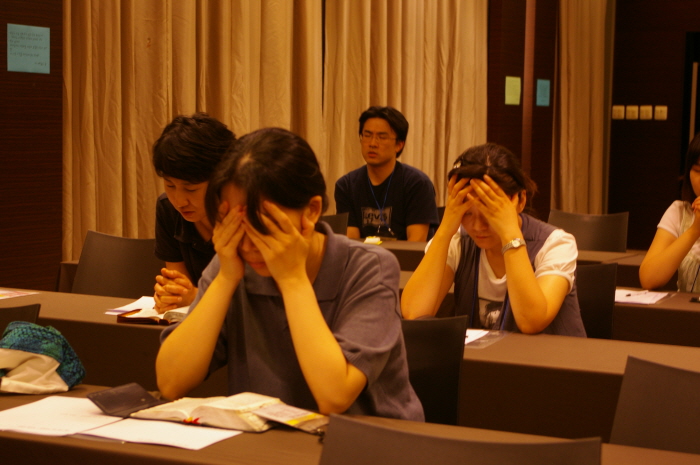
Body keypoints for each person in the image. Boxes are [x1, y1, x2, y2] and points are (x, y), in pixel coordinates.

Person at [156, 127, 424, 420]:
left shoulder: (369, 267)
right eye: (232, 224)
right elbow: (171, 381)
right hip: (268, 440)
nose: (247, 244)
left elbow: (334, 396)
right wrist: (225, 279)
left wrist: (292, 279)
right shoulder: (232, 263)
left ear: (312, 210)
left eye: (263, 225)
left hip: (368, 439)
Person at [401, 143, 586, 336]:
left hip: (548, 355)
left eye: (490, 213)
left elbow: (531, 322)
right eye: (467, 214)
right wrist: (445, 229)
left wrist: (510, 234)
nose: (478, 226)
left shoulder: (556, 243)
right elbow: (414, 313)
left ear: (520, 200)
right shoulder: (458, 241)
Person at [152, 113, 236, 312]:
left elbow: (257, 303)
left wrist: (194, 296)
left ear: (222, 178)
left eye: (191, 189)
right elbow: (179, 287)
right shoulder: (168, 209)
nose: (179, 201)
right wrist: (170, 295)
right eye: (170, 185)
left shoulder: (244, 214)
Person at [334, 106, 439, 241]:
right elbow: (351, 243)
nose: (372, 143)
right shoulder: (346, 185)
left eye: (382, 137)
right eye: (367, 135)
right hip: (363, 255)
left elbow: (416, 244)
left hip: (406, 255)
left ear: (399, 145)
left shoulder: (417, 184)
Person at [640, 132, 700, 291]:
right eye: (698, 171)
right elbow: (649, 279)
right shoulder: (679, 212)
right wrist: (695, 230)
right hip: (685, 307)